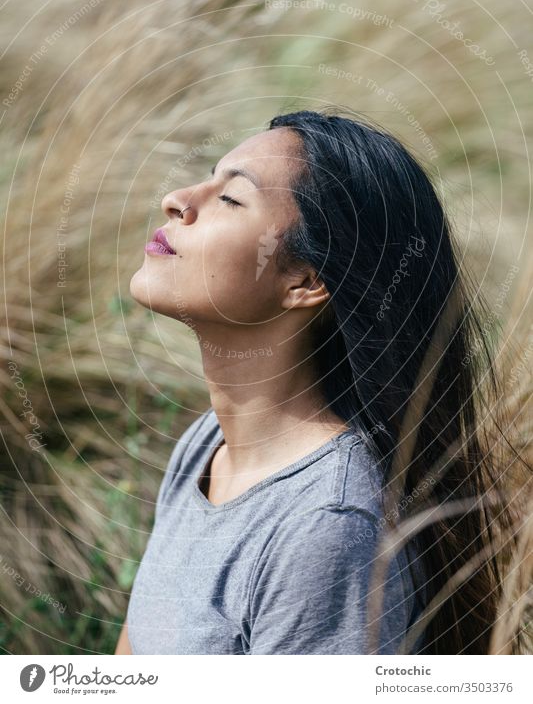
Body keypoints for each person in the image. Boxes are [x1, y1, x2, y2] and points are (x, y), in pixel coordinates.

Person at [115, 107, 513, 655]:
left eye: (231, 199)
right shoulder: (208, 446)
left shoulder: (326, 526)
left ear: (304, 281)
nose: (178, 200)